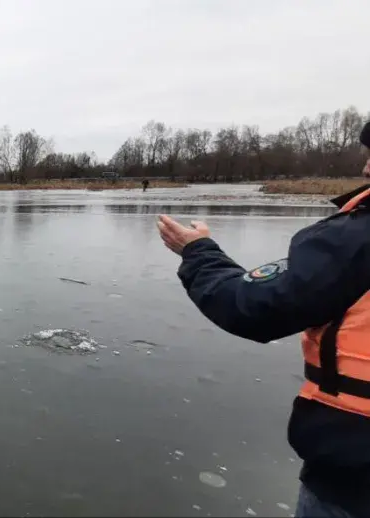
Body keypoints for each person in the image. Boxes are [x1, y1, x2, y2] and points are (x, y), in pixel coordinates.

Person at [156, 121, 370, 518]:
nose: (366, 170)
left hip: (354, 479)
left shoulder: (356, 240)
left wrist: (199, 252)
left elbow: (255, 307)